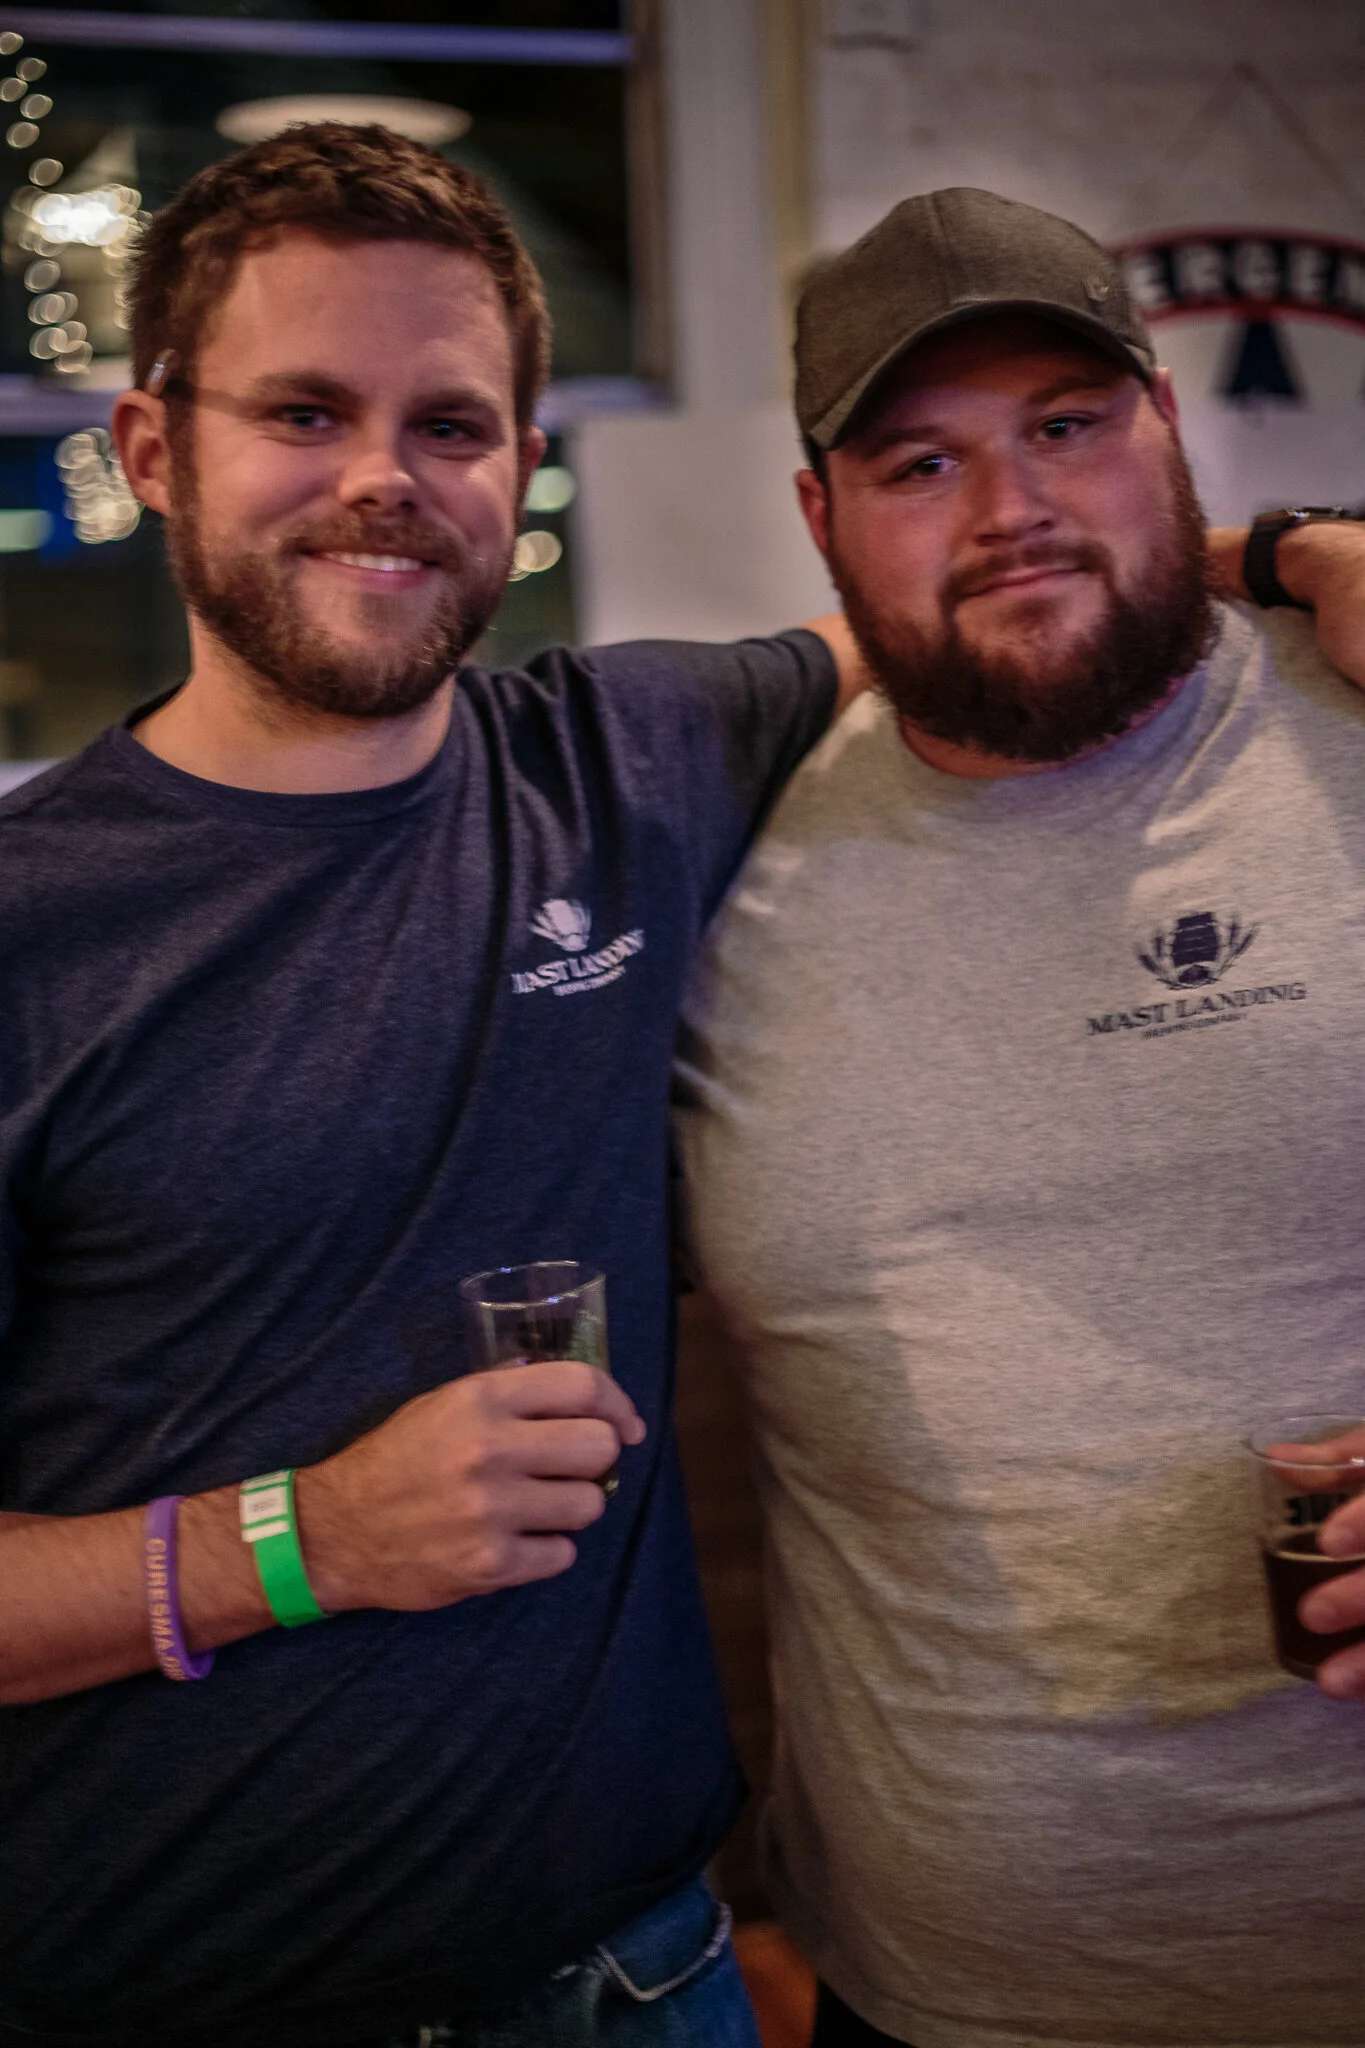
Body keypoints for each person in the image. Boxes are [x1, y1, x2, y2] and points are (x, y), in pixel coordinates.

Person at [0, 132, 1352, 2048]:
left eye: (450, 424)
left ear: (520, 462)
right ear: (152, 449)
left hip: (656, 1971)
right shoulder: (35, 926)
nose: (385, 477)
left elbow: (1009, 588)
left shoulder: (634, 760)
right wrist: (298, 1542)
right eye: (304, 412)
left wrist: (1295, 551)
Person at [673, 187, 1365, 2048]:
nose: (1013, 509)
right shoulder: (720, 870)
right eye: (922, 463)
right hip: (933, 1997)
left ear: (1169, 426)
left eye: (1067, 425)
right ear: (819, 516)